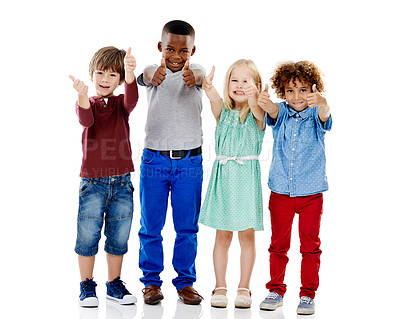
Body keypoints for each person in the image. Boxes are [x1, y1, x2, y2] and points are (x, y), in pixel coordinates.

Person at [137, 20, 205, 305]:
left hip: (189, 162)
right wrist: (153, 72)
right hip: (155, 161)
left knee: (186, 228)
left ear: (192, 50)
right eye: (169, 49)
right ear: (159, 48)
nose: (176, 56)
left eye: (183, 51)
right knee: (151, 225)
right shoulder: (154, 74)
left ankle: (185, 282)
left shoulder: (197, 74)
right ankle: (151, 282)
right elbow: (144, 75)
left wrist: (197, 76)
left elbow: (201, 75)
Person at [257, 61, 332, 315]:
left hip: (311, 195)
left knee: (310, 246)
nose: (296, 96)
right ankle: (275, 290)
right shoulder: (280, 112)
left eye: (302, 90)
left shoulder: (315, 113)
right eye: (290, 90)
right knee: (278, 244)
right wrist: (263, 100)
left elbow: (325, 113)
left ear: (312, 90)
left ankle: (307, 295)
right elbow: (270, 110)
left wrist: (321, 102)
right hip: (281, 193)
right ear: (283, 91)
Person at [69, 46, 138, 307]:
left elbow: (132, 99)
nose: (105, 80)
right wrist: (82, 95)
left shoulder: (121, 104)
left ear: (119, 79)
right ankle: (87, 285)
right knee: (87, 235)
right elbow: (86, 121)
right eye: (100, 73)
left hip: (121, 182)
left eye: (112, 75)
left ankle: (114, 284)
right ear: (91, 74)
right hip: (93, 184)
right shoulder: (87, 103)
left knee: (119, 236)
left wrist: (130, 73)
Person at [199, 59, 265, 309]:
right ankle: (220, 285)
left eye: (246, 81)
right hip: (224, 178)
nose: (239, 85)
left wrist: (255, 96)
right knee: (222, 235)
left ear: (256, 86)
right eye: (234, 80)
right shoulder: (223, 113)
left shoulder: (257, 114)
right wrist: (208, 87)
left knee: (246, 236)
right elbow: (215, 99)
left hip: (246, 179)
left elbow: (257, 108)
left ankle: (245, 287)